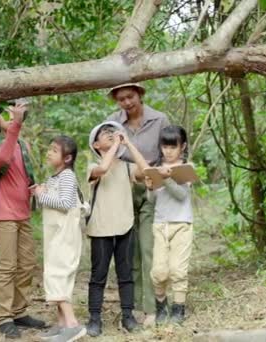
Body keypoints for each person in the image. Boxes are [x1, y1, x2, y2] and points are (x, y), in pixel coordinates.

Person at [106, 82, 170, 326]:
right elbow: (103, 153)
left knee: (149, 248)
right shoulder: (112, 122)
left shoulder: (159, 119)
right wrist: (131, 169)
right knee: (128, 252)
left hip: (152, 190)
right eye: (121, 99)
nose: (127, 103)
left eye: (130, 97)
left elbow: (170, 152)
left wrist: (160, 173)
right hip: (122, 190)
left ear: (140, 94)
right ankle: (129, 308)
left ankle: (152, 307)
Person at [0, 103, 46, 338]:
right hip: (4, 215)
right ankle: (4, 317)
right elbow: (2, 158)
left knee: (27, 264)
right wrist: (16, 124)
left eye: (14, 113)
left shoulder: (23, 144)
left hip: (23, 213)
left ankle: (19, 312)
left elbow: (25, 176)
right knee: (8, 266)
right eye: (5, 114)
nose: (11, 116)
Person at [85, 122, 151, 337]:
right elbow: (102, 170)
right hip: (100, 228)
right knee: (98, 276)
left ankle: (128, 316)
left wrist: (128, 144)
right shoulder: (92, 165)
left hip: (125, 226)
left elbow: (145, 170)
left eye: (113, 132)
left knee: (126, 274)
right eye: (105, 134)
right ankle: (94, 318)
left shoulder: (125, 166)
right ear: (96, 144)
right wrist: (116, 146)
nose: (111, 135)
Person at [32, 135, 86, 342]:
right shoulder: (55, 177)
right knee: (53, 272)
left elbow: (64, 203)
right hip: (55, 233)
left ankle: (72, 324)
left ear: (67, 158)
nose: (49, 152)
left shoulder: (67, 176)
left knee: (58, 274)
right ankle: (62, 323)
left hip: (65, 234)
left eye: (54, 150)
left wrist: (41, 195)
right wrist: (42, 192)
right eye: (50, 149)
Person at [144, 125, 194, 325]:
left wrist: (167, 179)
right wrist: (149, 187)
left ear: (182, 146)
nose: (168, 151)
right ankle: (161, 306)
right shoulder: (156, 166)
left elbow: (181, 195)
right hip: (160, 224)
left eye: (173, 146)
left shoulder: (186, 168)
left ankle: (178, 309)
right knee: (159, 271)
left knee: (178, 270)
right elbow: (152, 200)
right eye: (165, 146)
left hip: (182, 223)